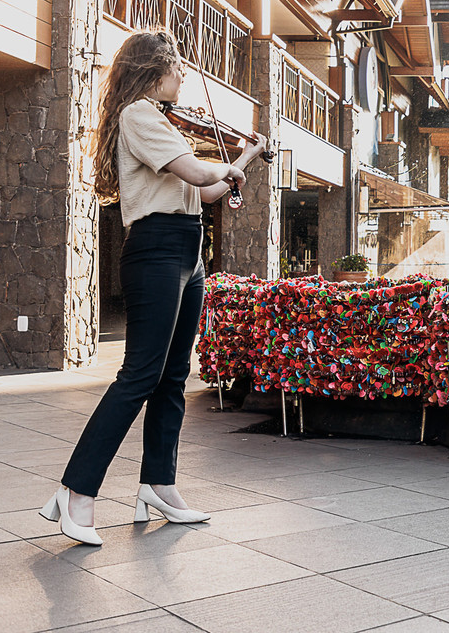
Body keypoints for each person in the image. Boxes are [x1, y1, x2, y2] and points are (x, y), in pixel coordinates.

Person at [39, 29, 266, 545]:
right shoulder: (138, 114)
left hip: (188, 249)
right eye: (178, 67)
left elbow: (205, 190)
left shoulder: (160, 122)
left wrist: (244, 161)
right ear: (154, 70)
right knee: (140, 375)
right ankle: (75, 493)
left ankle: (158, 485)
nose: (184, 74)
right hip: (157, 248)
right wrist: (225, 165)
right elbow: (194, 169)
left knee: (173, 376)